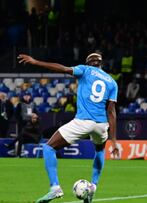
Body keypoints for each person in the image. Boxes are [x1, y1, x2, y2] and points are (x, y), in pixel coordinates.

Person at [17, 53, 120, 203]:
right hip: (101, 124)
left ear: (88, 62)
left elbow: (63, 69)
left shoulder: (85, 70)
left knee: (49, 148)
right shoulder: (112, 82)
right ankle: (93, 186)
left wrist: (36, 62)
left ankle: (55, 188)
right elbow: (111, 112)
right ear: (100, 64)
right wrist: (114, 140)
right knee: (100, 150)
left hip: (83, 121)